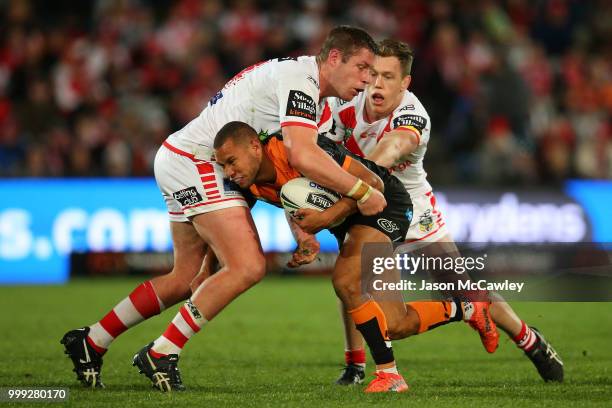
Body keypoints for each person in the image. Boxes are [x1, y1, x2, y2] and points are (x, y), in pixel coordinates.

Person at [60, 26, 385, 391]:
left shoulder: (309, 93)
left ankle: (91, 341)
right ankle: (162, 352)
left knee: (186, 278)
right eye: (362, 67)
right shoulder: (301, 80)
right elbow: (302, 154)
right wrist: (361, 190)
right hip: (202, 161)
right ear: (335, 58)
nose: (367, 79)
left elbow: (283, 169)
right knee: (246, 265)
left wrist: (300, 228)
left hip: (183, 155)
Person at [304, 38, 563, 384]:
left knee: (463, 288)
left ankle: (530, 340)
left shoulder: (414, 115)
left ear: (405, 83)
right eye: (373, 74)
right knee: (352, 279)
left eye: (388, 77)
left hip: (411, 207)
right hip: (368, 204)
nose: (377, 84)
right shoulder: (346, 102)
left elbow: (391, 147)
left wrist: (353, 188)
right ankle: (355, 365)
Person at [213, 121, 498, 393]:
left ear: (254, 146)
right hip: (349, 220)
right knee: (395, 324)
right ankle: (469, 308)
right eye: (222, 165)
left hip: (385, 204)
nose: (228, 172)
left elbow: (372, 182)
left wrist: (325, 218)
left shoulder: (296, 149)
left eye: (231, 161)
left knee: (346, 281)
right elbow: (292, 197)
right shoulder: (248, 184)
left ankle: (389, 376)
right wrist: (305, 238)